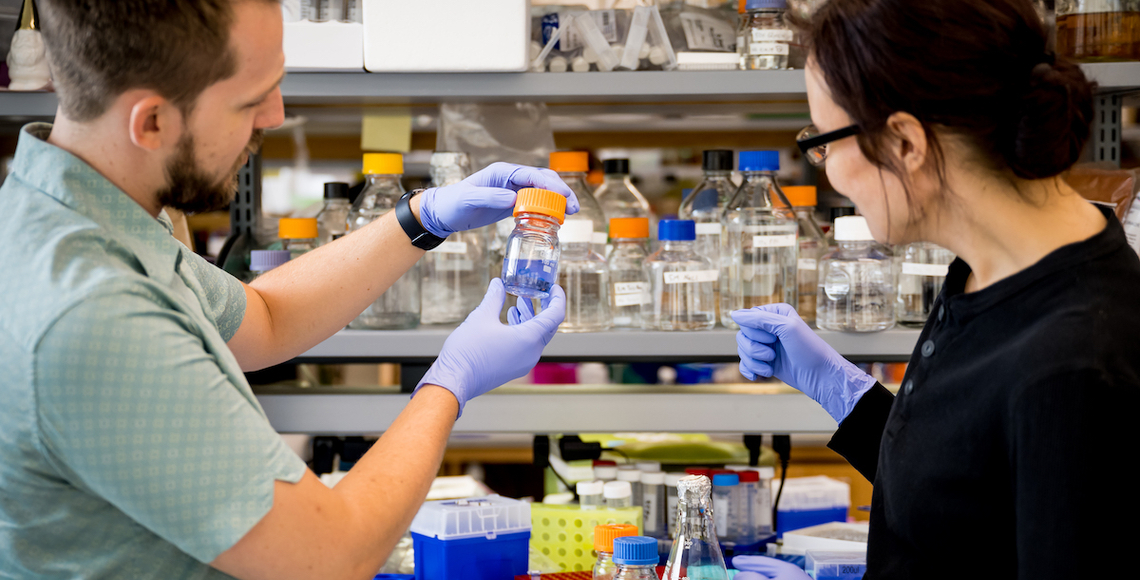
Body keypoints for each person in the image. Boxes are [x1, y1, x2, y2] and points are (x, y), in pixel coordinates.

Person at [0, 1, 578, 579]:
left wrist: (424, 216)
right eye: (252, 99)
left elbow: (265, 316)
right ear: (150, 122)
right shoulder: (93, 311)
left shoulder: (88, 216)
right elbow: (332, 556)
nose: (274, 116)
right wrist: (453, 379)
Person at [732, 0, 1140, 578]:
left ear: (904, 142)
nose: (827, 168)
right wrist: (845, 394)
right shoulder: (988, 273)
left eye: (825, 139)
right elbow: (964, 499)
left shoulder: (1076, 366)